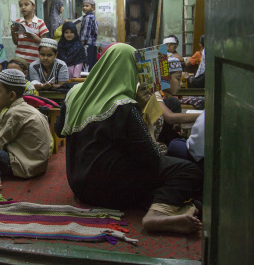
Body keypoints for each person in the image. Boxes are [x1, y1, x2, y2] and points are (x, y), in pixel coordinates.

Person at [56, 43, 203, 234]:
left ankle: (166, 204)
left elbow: (60, 130)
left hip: (79, 185)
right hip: (108, 189)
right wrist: (142, 112)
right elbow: (152, 158)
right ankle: (157, 214)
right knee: (189, 171)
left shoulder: (74, 93)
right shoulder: (123, 104)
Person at [0, 69, 51, 178]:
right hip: (37, 165)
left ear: (12, 95)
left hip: (23, 167)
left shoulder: (14, 113)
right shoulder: (25, 108)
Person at [155, 57, 200, 146]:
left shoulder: (164, 95)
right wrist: (204, 115)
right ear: (166, 78)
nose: (180, 84)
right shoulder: (154, 92)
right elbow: (170, 117)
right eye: (178, 79)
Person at [11, 0, 49, 64]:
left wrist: (33, 37)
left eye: (26, 4)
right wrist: (13, 33)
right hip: (19, 59)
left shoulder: (40, 22)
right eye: (20, 5)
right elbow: (16, 42)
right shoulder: (18, 22)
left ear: (33, 6)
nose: (23, 7)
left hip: (35, 60)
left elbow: (44, 43)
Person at [78, 0, 98, 71]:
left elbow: (85, 33)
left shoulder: (88, 18)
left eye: (87, 6)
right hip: (92, 44)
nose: (84, 7)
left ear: (92, 8)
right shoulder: (91, 16)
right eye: (83, 6)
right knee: (91, 64)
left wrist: (81, 45)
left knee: (87, 65)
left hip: (87, 45)